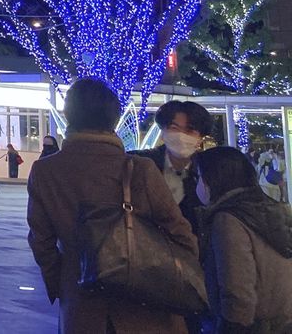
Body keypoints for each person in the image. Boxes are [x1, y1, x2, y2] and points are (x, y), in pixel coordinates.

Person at [27, 77, 196, 332]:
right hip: (148, 304)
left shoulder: (45, 171)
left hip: (83, 303)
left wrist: (64, 285)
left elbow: (42, 243)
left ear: (69, 114)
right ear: (114, 118)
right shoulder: (141, 169)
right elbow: (180, 233)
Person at [195, 146, 292, 332]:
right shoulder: (273, 209)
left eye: (200, 177)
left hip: (253, 326)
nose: (198, 184)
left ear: (215, 179)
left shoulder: (228, 220)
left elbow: (237, 288)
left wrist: (231, 326)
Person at [132, 98, 212, 232]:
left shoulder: (209, 170)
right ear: (163, 131)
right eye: (174, 128)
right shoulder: (139, 163)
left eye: (189, 130)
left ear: (200, 137)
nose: (181, 136)